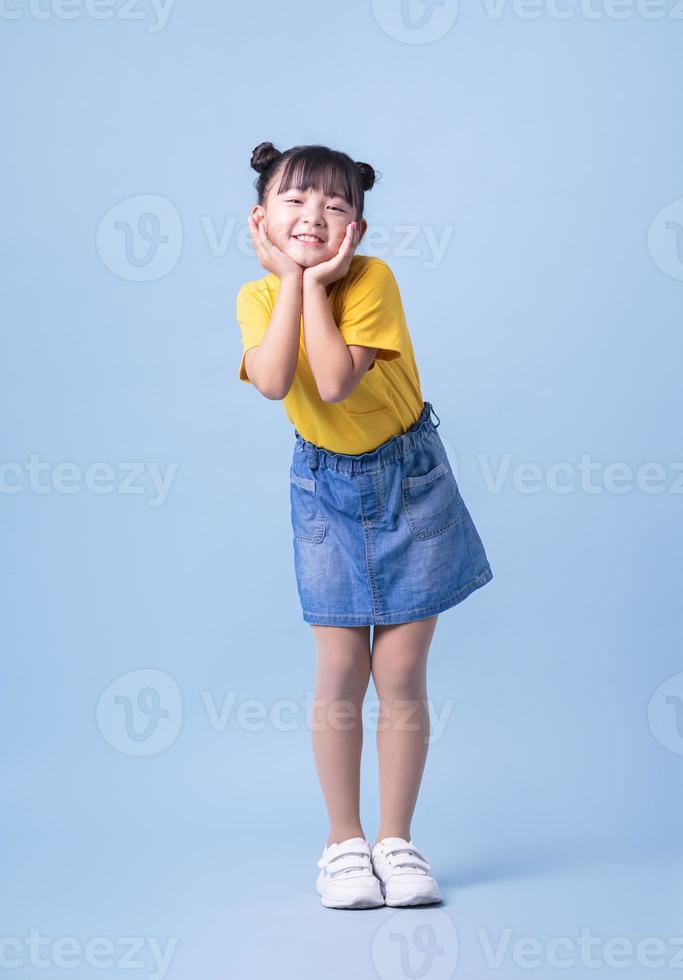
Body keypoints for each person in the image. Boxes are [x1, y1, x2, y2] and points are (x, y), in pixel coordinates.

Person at [235, 141, 494, 909]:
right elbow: (277, 380)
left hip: (409, 481)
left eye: (335, 205)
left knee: (401, 675)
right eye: (294, 201)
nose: (313, 215)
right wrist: (291, 283)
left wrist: (312, 282)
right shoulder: (255, 298)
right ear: (260, 219)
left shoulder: (374, 280)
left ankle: (397, 841)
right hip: (322, 489)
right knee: (340, 672)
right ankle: (342, 843)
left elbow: (340, 379)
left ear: (358, 226)